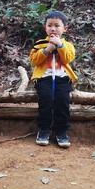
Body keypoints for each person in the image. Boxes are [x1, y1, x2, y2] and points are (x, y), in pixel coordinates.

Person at [29, 10, 77, 147]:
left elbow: (68, 58)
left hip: (62, 79)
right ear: (45, 28)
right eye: (50, 25)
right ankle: (44, 130)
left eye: (57, 25)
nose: (53, 28)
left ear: (64, 28)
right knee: (46, 101)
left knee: (62, 102)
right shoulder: (40, 44)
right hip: (44, 79)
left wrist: (60, 46)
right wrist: (47, 49)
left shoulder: (68, 45)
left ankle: (61, 132)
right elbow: (34, 61)